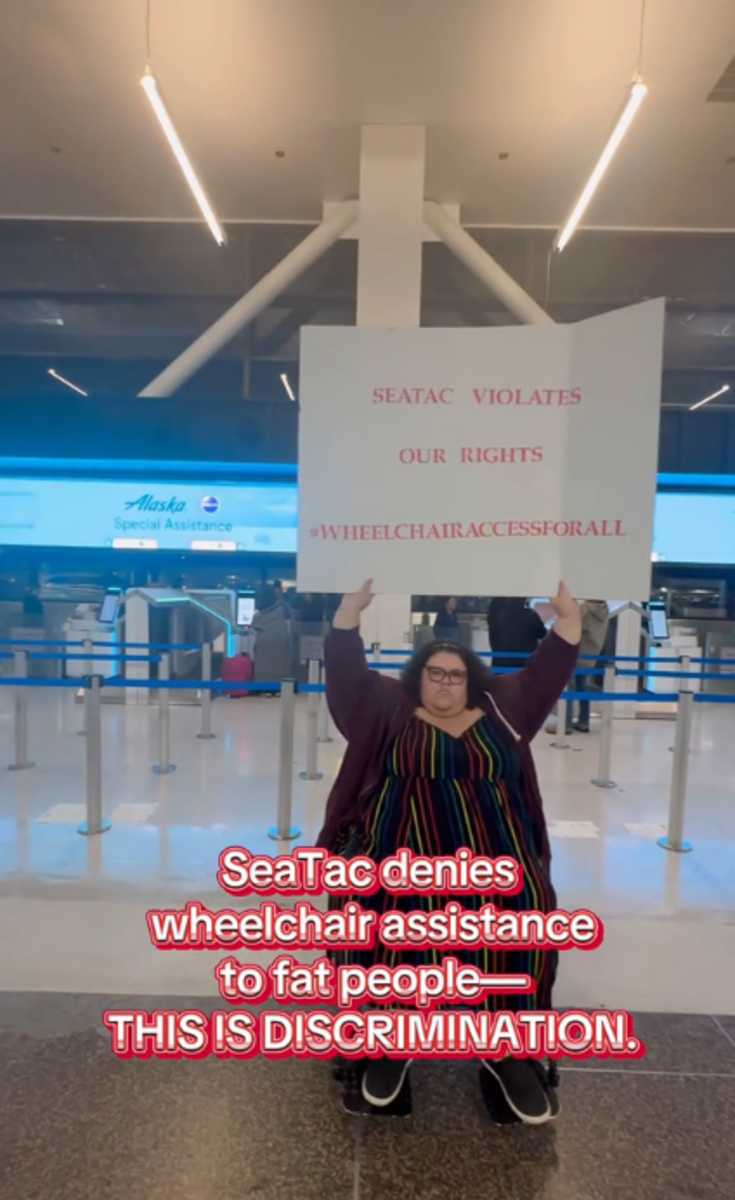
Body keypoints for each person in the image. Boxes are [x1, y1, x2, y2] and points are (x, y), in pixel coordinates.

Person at [319, 578, 580, 1122]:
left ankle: (506, 1048)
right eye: (435, 673)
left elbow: (549, 669)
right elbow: (345, 677)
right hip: (398, 845)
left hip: (495, 853)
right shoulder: (388, 706)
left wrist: (568, 616)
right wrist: (349, 611)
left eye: (456, 675)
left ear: (472, 681)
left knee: (525, 910)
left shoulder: (505, 707)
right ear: (418, 678)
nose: (445, 682)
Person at [566, 600, 609, 733]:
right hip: (591, 654)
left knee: (568, 688)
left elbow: (571, 626)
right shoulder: (604, 610)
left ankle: (565, 724)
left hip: (576, 654)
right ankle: (583, 721)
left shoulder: (585, 609)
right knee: (583, 687)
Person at [488, 597, 547, 672]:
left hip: (500, 665)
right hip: (523, 665)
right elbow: (542, 633)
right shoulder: (530, 616)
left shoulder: (495, 615)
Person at [251, 584, 291, 688]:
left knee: (264, 671)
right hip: (280, 645)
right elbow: (289, 612)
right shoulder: (282, 609)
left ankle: (262, 688)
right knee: (278, 669)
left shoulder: (258, 617)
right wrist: (280, 598)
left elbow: (254, 625)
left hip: (263, 650)